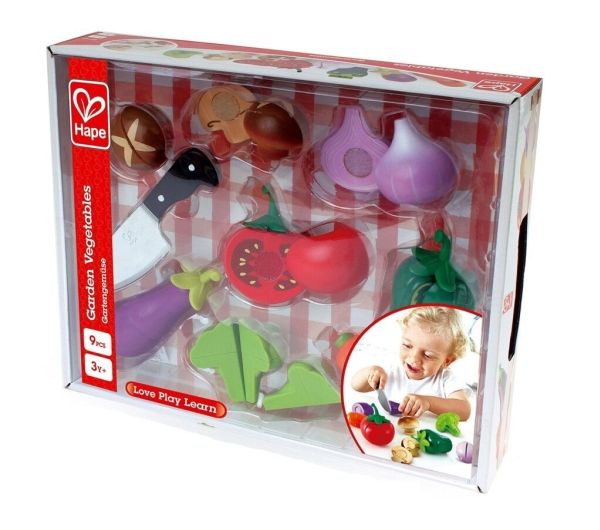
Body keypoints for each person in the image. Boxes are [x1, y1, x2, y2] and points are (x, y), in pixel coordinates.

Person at [351, 306, 471, 420]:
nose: (414, 358)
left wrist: (428, 403)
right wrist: (370, 373)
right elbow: (356, 386)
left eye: (427, 355)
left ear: (447, 361)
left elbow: (464, 410)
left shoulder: (445, 378)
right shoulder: (392, 368)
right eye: (407, 345)